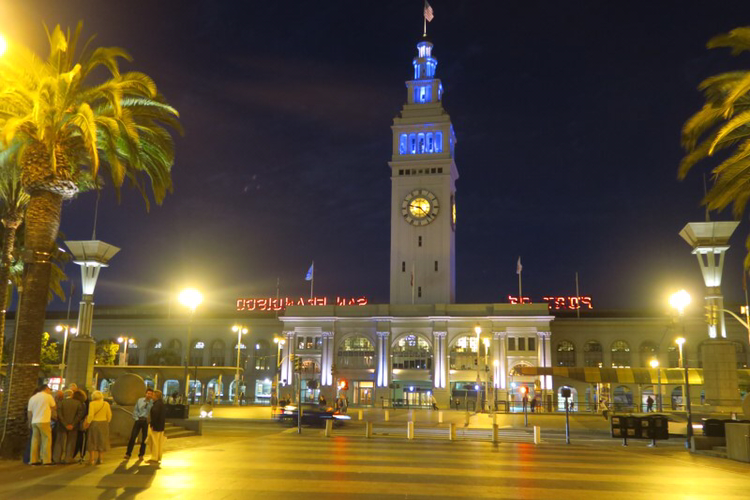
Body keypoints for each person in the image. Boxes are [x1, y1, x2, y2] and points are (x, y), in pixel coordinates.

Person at [27, 384, 57, 465]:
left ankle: (34, 460)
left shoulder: (32, 398)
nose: (50, 391)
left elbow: (29, 412)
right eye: (49, 389)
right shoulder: (48, 397)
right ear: (46, 388)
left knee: (35, 440)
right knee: (46, 440)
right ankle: (46, 460)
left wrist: (29, 422)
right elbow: (54, 407)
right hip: (44, 420)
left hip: (34, 421)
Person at [53, 389, 84, 464]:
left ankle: (57, 458)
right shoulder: (78, 403)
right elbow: (79, 415)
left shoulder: (61, 402)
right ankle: (68, 458)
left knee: (59, 442)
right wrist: (73, 424)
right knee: (71, 442)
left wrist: (65, 424)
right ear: (72, 395)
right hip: (73, 426)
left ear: (64, 395)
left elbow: (59, 414)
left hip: (62, 426)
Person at [124, 389, 154, 460]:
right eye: (148, 393)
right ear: (145, 393)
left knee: (144, 438)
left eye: (150, 394)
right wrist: (136, 418)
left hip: (146, 421)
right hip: (138, 420)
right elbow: (135, 410)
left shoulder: (152, 403)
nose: (149, 395)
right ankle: (128, 453)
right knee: (133, 436)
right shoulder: (140, 400)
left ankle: (141, 454)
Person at [85, 390, 112, 465]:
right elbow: (109, 415)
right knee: (102, 440)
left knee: (92, 440)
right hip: (104, 423)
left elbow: (90, 415)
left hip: (94, 423)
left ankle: (92, 459)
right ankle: (100, 458)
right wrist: (107, 421)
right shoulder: (106, 404)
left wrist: (88, 422)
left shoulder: (92, 404)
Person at [148, 390, 167, 464]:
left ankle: (154, 457)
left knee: (154, 442)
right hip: (160, 426)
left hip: (156, 426)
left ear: (156, 396)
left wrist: (153, 425)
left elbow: (155, 416)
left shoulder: (156, 405)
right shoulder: (161, 404)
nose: (152, 396)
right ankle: (158, 456)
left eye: (153, 395)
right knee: (158, 442)